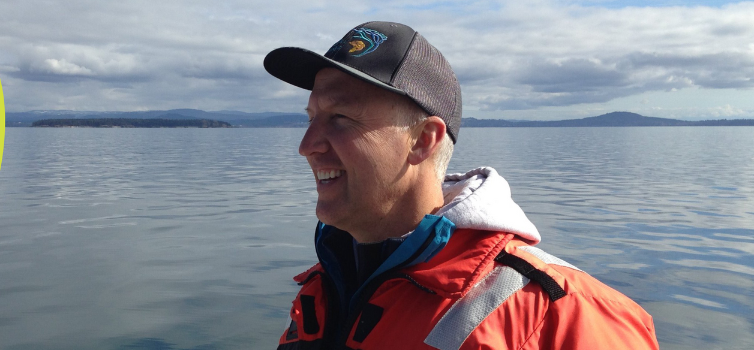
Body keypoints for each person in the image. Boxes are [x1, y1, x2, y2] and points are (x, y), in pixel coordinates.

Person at [262, 21, 659, 350]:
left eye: (340, 117)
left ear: (422, 141)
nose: (306, 146)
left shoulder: (561, 315)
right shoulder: (328, 284)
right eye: (310, 117)